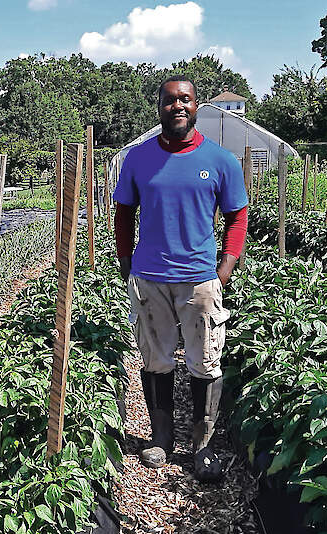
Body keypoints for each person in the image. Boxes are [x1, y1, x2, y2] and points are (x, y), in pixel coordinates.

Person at [112, 75, 248, 482]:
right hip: (150, 277)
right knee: (156, 359)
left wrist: (225, 267)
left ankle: (203, 446)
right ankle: (162, 438)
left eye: (185, 100)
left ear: (196, 106)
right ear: (159, 106)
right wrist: (125, 260)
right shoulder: (138, 159)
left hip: (199, 281)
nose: (177, 106)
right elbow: (123, 214)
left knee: (204, 361)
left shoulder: (220, 161)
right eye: (170, 100)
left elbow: (237, 216)